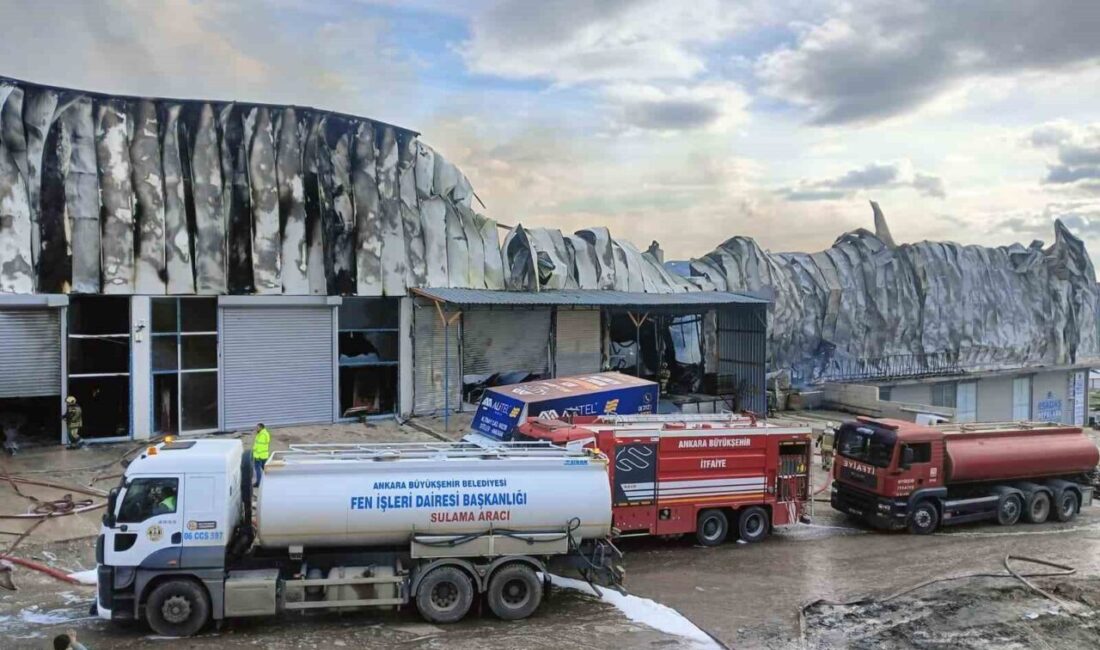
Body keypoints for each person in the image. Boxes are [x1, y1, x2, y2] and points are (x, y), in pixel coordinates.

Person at [252, 422, 271, 487]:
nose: (256, 429)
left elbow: (259, 446)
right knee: (264, 468)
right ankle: (270, 479)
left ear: (261, 428)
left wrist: (255, 454)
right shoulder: (265, 433)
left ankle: (258, 483)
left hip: (259, 455)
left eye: (257, 427)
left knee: (258, 470)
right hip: (264, 455)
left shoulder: (262, 435)